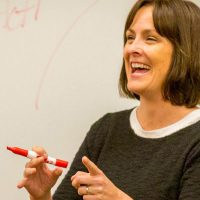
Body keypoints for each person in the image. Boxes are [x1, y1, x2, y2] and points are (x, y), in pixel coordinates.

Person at [17, 0, 200, 199]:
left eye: (150, 39)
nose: (132, 49)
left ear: (185, 50)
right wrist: (41, 196)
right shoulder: (106, 129)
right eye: (130, 38)